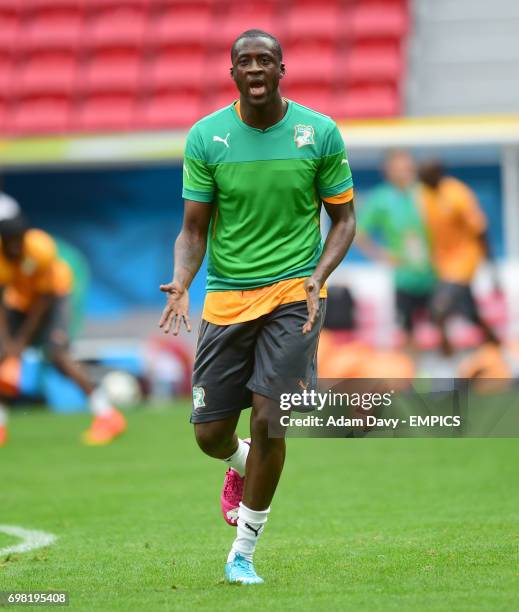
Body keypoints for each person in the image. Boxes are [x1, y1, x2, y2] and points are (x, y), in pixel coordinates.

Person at [159, 29, 356, 585]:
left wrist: (318, 279)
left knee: (273, 419)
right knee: (209, 435)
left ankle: (242, 551)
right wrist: (180, 281)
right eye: (244, 60)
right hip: (226, 297)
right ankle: (239, 462)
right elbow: (192, 231)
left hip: (295, 294)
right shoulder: (206, 138)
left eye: (264, 59)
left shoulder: (318, 133)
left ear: (281, 68)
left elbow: (344, 220)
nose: (254, 68)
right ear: (232, 73)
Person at [0, 214, 126, 447]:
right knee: (2, 356)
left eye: (19, 240)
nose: (16, 246)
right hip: (18, 303)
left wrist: (20, 342)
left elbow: (44, 301)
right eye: (10, 241)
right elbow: (2, 301)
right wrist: (8, 345)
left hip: (54, 299)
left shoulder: (41, 248)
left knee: (57, 354)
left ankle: (107, 415)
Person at [418, 161, 498, 354]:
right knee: (470, 314)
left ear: (438, 174)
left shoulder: (457, 194)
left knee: (438, 308)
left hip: (465, 259)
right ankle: (496, 347)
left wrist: (491, 264)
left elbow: (480, 229)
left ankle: (447, 358)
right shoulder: (425, 195)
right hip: (444, 263)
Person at [356, 150, 436, 342]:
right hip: (403, 278)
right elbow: (359, 234)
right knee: (406, 332)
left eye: (408, 168)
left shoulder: (424, 193)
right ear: (388, 171)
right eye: (399, 168)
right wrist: (382, 255)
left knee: (439, 328)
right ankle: (410, 370)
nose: (405, 172)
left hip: (434, 274)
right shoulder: (381, 198)